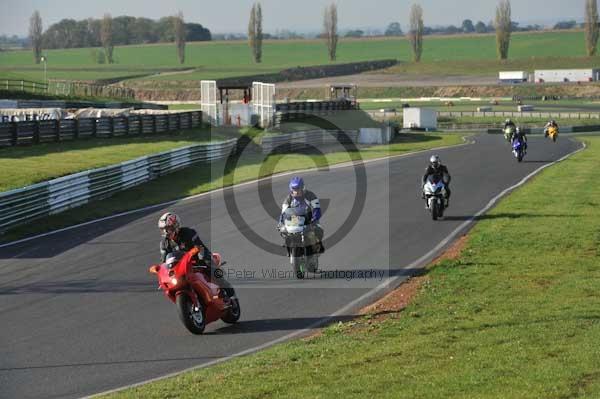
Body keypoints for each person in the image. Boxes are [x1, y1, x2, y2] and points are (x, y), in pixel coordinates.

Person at [158, 212, 233, 291]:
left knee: (210, 267)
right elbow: (164, 261)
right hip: (180, 267)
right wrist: (160, 271)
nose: (166, 232)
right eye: (163, 230)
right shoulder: (164, 243)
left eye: (168, 228)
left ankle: (230, 294)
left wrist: (200, 253)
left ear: (175, 226)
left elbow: (200, 247)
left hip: (197, 261)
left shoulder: (188, 233)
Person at [279, 176, 325, 253]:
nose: (296, 192)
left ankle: (318, 245)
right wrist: (281, 222)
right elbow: (284, 212)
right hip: (295, 220)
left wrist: (314, 219)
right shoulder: (288, 199)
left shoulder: (311, 195)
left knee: (319, 229)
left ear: (303, 188)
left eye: (298, 189)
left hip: (309, 219)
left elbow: (316, 208)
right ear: (291, 190)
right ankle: (289, 246)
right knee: (283, 231)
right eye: (294, 189)